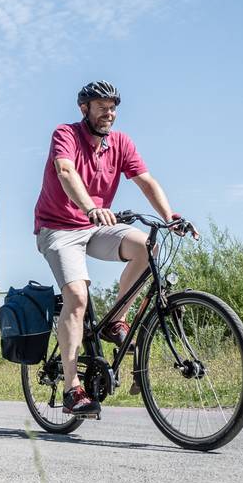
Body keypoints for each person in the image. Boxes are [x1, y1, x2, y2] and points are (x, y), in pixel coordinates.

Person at [33, 81, 196, 416]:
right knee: (77, 297)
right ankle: (71, 389)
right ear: (84, 109)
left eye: (112, 108)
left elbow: (146, 181)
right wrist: (91, 207)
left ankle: (115, 321)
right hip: (58, 228)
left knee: (146, 246)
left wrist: (171, 217)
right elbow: (65, 171)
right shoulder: (66, 134)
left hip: (95, 226)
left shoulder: (120, 143)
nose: (109, 114)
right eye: (101, 107)